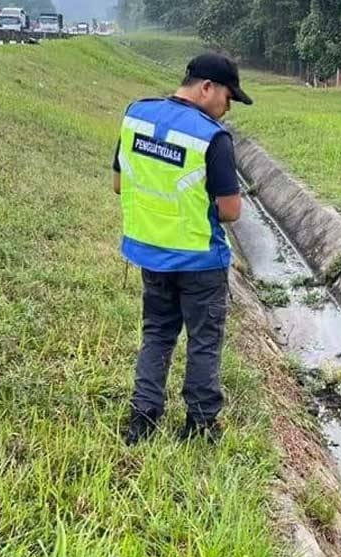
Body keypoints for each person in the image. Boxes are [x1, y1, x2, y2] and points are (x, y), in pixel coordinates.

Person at [112, 53, 253, 445]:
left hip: (150, 254)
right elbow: (231, 210)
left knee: (157, 333)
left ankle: (143, 418)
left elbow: (120, 184)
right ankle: (201, 425)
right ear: (207, 88)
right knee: (204, 341)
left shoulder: (136, 116)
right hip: (199, 261)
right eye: (228, 98)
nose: (227, 109)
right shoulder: (213, 137)